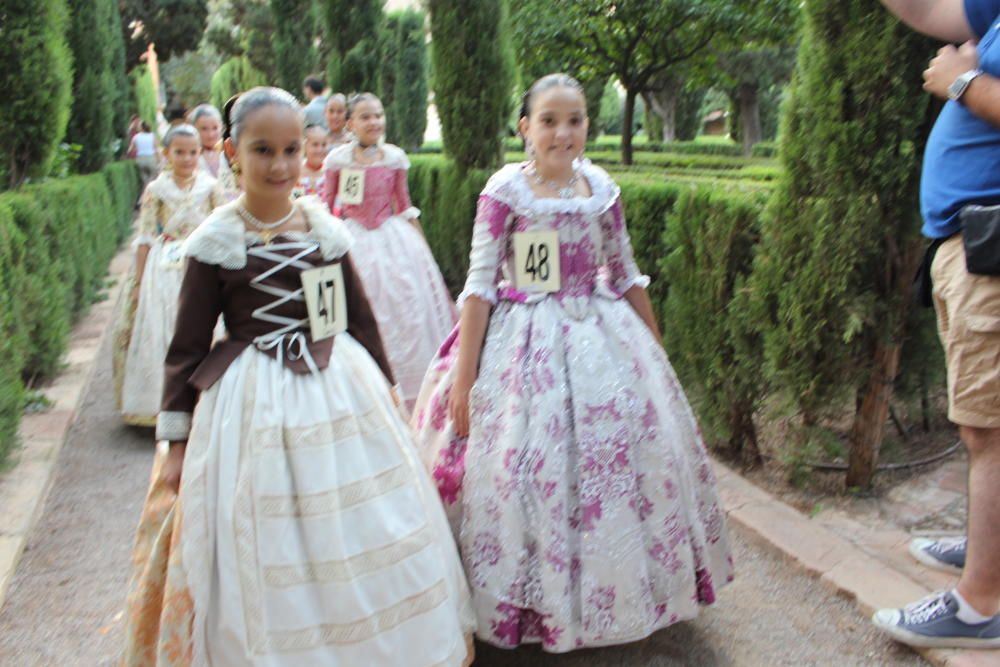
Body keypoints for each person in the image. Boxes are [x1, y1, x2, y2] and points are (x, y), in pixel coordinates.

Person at [121, 87, 474, 667]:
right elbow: (186, 350)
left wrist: (387, 392)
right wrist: (177, 440)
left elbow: (356, 320)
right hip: (248, 400)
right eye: (264, 150)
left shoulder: (324, 232)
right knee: (265, 532)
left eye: (290, 150)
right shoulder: (215, 241)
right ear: (233, 151)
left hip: (337, 383)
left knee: (356, 520)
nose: (281, 165)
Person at [410, 74, 733, 653]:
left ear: (588, 125)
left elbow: (627, 271)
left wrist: (656, 353)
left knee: (614, 468)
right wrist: (465, 380)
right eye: (550, 120)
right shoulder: (505, 191)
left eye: (576, 119)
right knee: (523, 468)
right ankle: (529, 599)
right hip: (521, 342)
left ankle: (612, 593)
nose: (563, 132)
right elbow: (480, 287)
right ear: (524, 128)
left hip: (602, 334)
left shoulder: (601, 187)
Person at [871, 0, 1000, 650]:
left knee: (990, 428)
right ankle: (989, 553)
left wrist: (961, 83)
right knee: (987, 424)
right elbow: (925, 8)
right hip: (970, 244)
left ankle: (980, 604)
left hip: (993, 248)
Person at [322, 93, 457, 406]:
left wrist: (423, 249)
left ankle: (412, 388)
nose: (374, 122)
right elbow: (328, 207)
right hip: (352, 235)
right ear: (350, 123)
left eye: (378, 115)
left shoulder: (394, 157)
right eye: (366, 117)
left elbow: (404, 204)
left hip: (393, 238)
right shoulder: (338, 160)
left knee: (407, 305)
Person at [115, 124, 225, 427]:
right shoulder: (156, 190)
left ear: (201, 153)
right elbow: (146, 236)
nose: (187, 158)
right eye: (180, 152)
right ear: (166, 154)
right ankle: (165, 405)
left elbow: (223, 227)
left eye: (193, 152)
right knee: (166, 330)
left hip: (204, 263)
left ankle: (208, 404)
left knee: (207, 328)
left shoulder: (210, 186)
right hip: (165, 269)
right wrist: (137, 283)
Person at [296, 123, 330, 198]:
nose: (320, 150)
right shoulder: (295, 172)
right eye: (315, 145)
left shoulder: (330, 171)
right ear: (304, 146)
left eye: (324, 145)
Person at [128, 121, 159, 188]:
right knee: (154, 178)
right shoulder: (152, 135)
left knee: (145, 179)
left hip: (140, 159)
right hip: (151, 158)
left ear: (142, 128)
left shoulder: (136, 137)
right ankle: (151, 193)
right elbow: (156, 149)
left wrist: (137, 149)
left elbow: (130, 150)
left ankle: (147, 190)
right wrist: (159, 159)